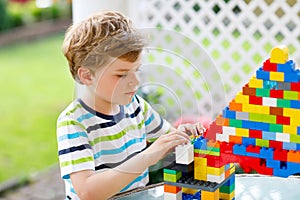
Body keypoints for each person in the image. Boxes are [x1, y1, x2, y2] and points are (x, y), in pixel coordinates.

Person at [57, 10, 204, 200]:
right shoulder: (73, 122)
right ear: (87, 75)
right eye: (121, 74)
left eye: (137, 70)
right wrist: (149, 155)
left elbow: (166, 142)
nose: (135, 81)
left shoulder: (135, 107)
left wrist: (182, 135)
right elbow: (88, 192)